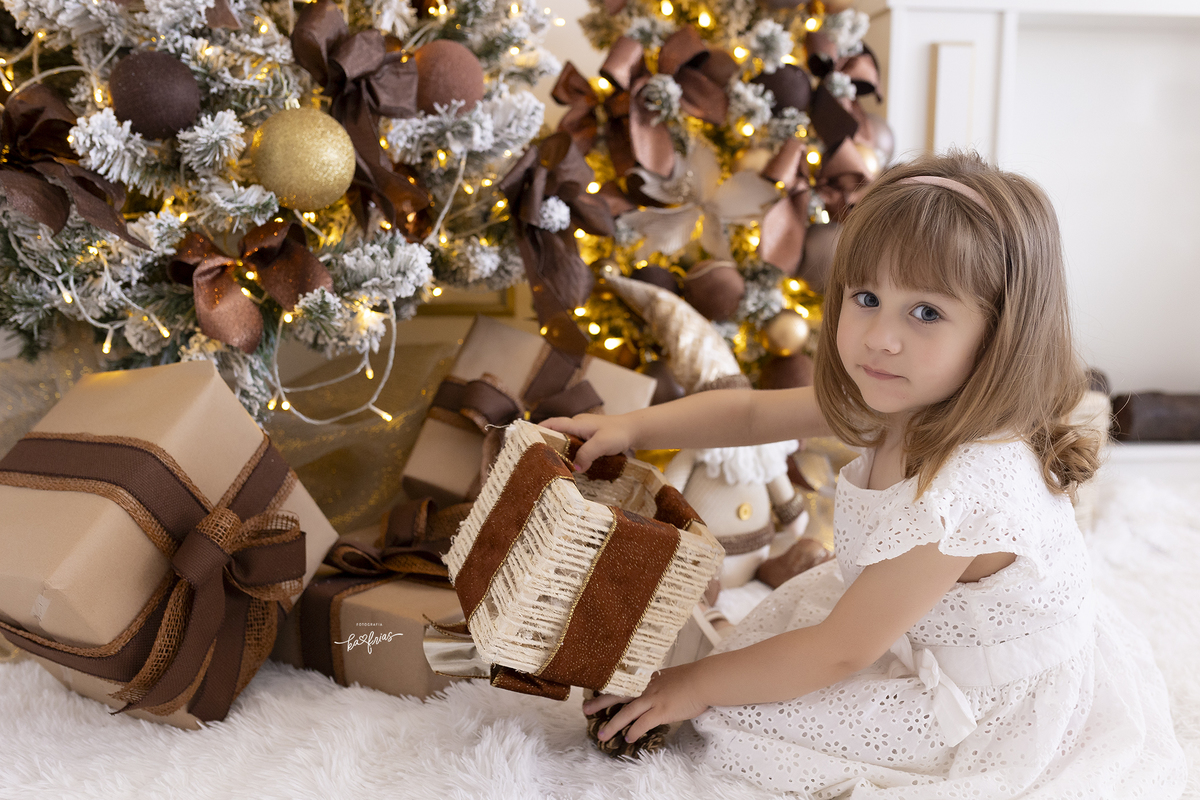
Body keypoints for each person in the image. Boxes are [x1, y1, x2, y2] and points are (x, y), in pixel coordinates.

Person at [541, 151, 1186, 797]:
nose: (880, 337)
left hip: (983, 695)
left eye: (926, 312)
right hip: (908, 620)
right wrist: (632, 429)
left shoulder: (962, 489)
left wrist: (691, 686)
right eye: (867, 297)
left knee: (742, 726)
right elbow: (745, 412)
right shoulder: (904, 392)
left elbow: (838, 651)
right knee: (762, 655)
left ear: (1000, 337)